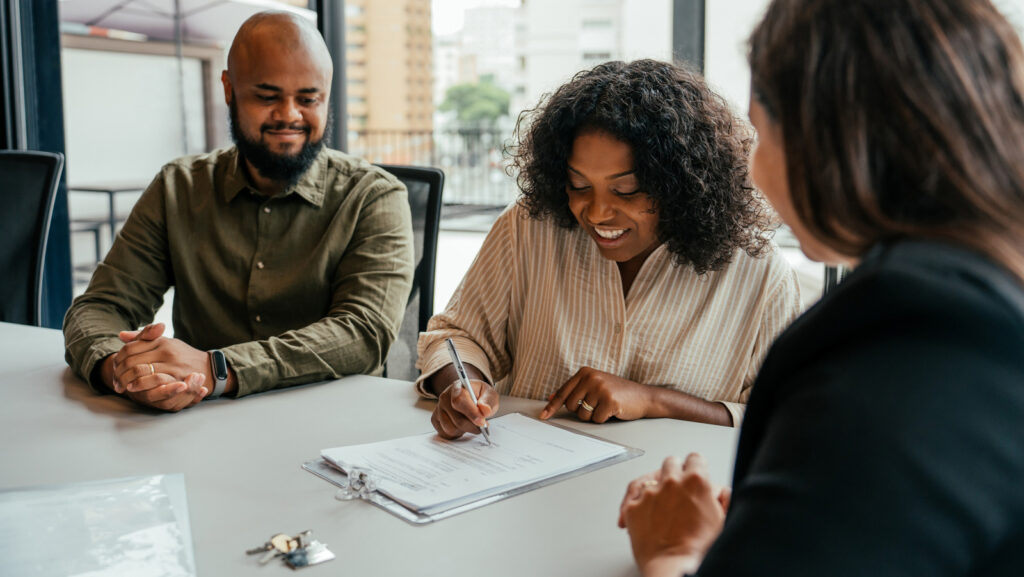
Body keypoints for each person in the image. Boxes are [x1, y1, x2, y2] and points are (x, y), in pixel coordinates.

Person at [619, 0, 1024, 575]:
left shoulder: (892, 355)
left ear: (824, 143)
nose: (754, 172)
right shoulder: (987, 300)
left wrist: (673, 553)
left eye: (761, 136)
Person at [417, 59, 802, 438]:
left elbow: (785, 419)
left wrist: (655, 401)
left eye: (626, 190)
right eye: (579, 186)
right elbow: (456, 335)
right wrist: (461, 385)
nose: (598, 212)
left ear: (680, 185)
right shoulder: (528, 229)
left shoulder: (760, 274)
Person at [63, 11, 415, 412]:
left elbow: (363, 334)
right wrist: (122, 370)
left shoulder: (374, 196)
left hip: (335, 428)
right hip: (200, 422)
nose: (289, 115)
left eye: (308, 98)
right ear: (229, 89)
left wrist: (218, 369)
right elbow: (100, 307)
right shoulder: (178, 187)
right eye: (267, 97)